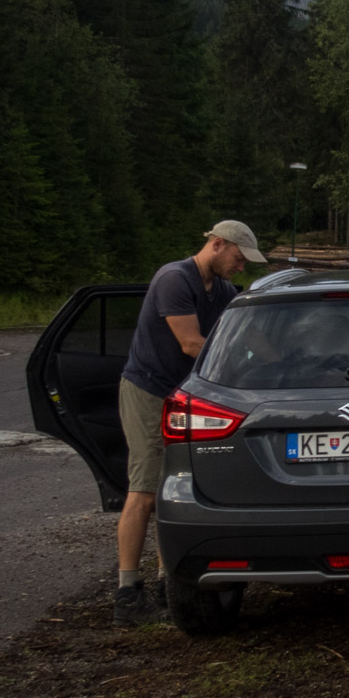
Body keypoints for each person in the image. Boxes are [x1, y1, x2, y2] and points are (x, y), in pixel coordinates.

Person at [114, 221, 265, 625]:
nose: (241, 267)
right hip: (149, 391)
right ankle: (127, 594)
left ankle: (168, 584)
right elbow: (192, 343)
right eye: (238, 258)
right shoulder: (174, 279)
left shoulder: (222, 291)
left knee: (173, 488)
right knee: (144, 490)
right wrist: (242, 368)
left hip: (183, 395)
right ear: (217, 245)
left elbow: (246, 337)